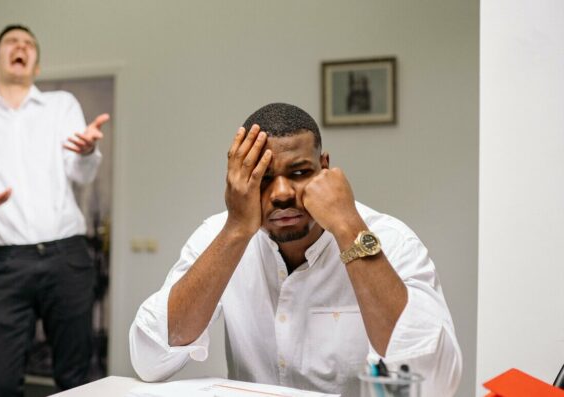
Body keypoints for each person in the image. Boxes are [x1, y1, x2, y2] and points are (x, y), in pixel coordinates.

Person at [129, 103, 462, 396]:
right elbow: (149, 359)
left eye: (299, 173)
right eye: (263, 177)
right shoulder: (221, 235)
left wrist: (348, 228)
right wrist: (236, 230)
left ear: (325, 168)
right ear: (238, 180)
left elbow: (431, 384)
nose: (283, 193)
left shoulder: (390, 240)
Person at [0, 24, 109, 395]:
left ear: (36, 66)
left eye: (29, 44)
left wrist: (88, 152)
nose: (21, 47)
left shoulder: (62, 105)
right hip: (8, 265)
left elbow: (81, 173)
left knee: (76, 381)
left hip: (66, 256)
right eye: (12, 42)